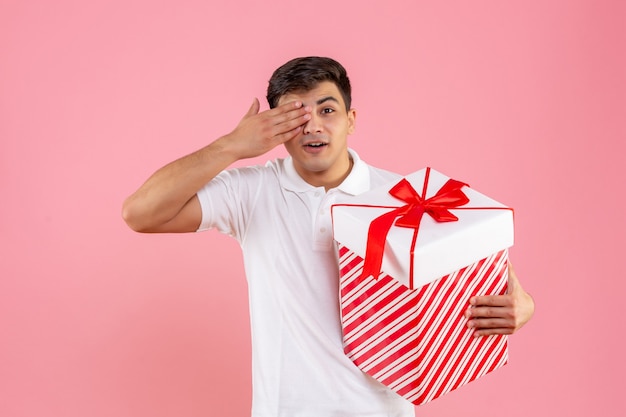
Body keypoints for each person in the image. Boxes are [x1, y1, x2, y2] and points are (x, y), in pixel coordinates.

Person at [122, 56, 535, 417]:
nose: (312, 125)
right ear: (275, 126)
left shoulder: (404, 196)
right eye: (295, 115)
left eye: (327, 110)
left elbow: (476, 267)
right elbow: (139, 213)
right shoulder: (251, 192)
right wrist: (231, 145)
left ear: (352, 120)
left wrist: (523, 304)